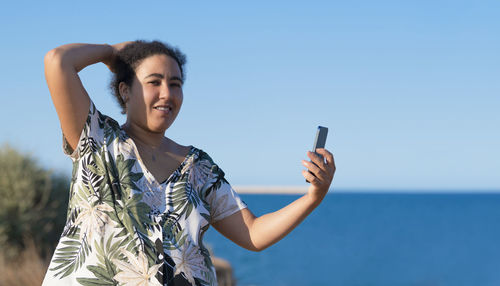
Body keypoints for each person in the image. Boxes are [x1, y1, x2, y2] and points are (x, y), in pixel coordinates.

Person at [41, 40, 336, 286]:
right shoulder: (97, 139)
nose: (167, 93)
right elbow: (57, 62)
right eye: (153, 82)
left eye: (175, 83)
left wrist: (314, 197)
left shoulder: (198, 166)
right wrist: (111, 53)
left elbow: (254, 233)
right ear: (125, 90)